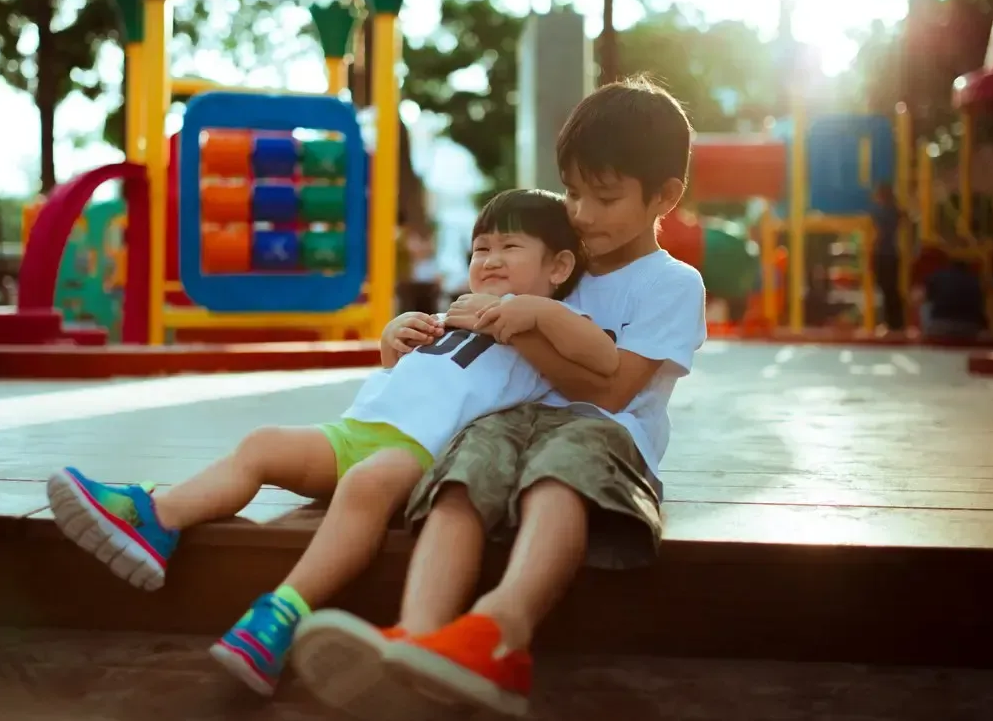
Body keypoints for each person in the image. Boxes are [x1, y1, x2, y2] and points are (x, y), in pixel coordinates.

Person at [42, 189, 619, 697]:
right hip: (355, 432)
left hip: (420, 453)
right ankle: (157, 518)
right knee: (263, 443)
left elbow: (601, 355)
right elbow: (412, 372)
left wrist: (526, 309)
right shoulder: (457, 312)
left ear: (559, 266)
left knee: (366, 485)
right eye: (480, 249)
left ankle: (280, 616)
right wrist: (396, 339)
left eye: (509, 248)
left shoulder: (547, 327)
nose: (490, 260)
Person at [291, 77, 708, 718]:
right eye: (572, 192)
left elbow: (616, 389)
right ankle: (419, 637)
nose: (583, 213)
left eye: (605, 196)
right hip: (511, 419)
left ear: (666, 197)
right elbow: (480, 346)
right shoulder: (559, 258)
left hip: (607, 434)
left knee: (559, 474)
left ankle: (499, 631)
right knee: (460, 472)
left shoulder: (672, 284)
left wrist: (520, 318)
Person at [870, 183, 905, 331]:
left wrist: (872, 250)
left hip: (883, 254)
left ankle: (892, 322)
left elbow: (878, 234)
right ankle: (895, 322)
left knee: (886, 289)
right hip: (893, 253)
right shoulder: (895, 212)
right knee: (891, 289)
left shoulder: (880, 213)